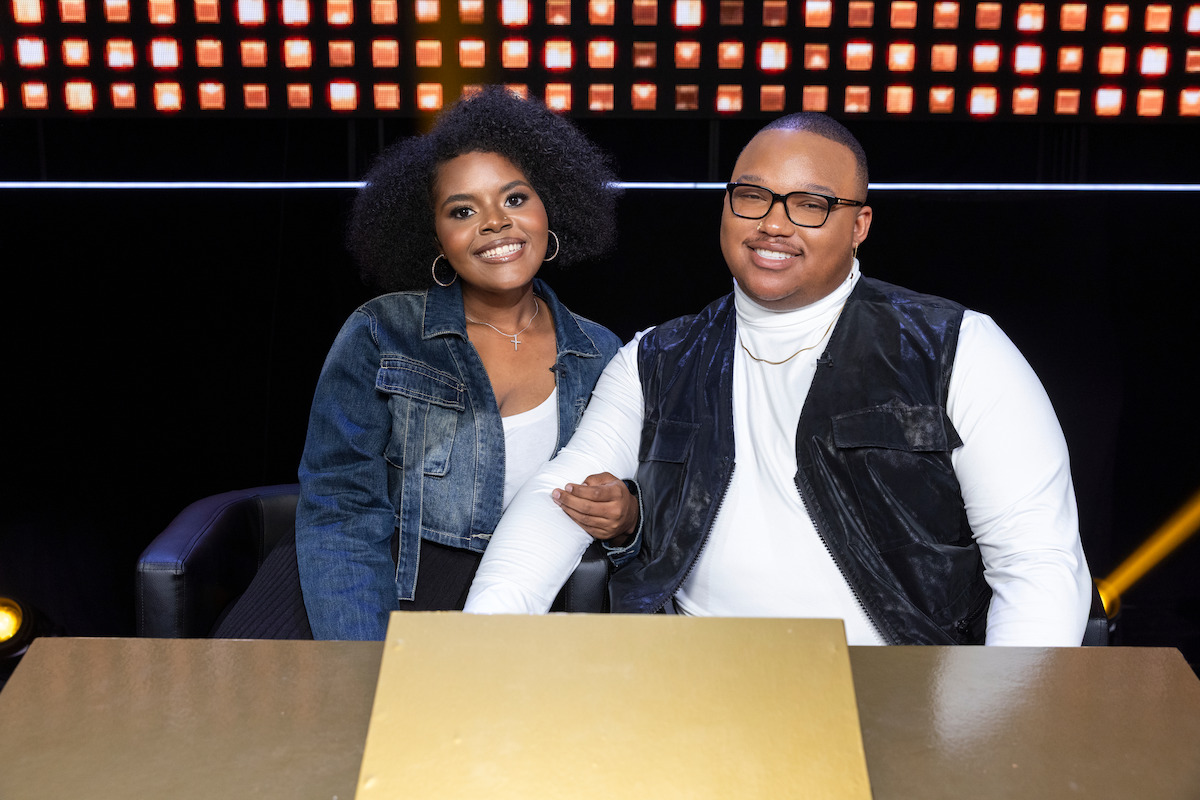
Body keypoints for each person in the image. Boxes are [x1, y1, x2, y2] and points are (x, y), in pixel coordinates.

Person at [464, 112, 1093, 646]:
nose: (773, 222)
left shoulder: (958, 347)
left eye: (812, 204)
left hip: (900, 688)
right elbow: (558, 496)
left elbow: (1036, 563)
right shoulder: (656, 359)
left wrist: (1002, 730)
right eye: (753, 195)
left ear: (859, 225)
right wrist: (474, 649)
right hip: (697, 687)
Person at [296, 86, 624, 641]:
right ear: (437, 238)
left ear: (551, 208)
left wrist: (623, 518)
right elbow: (340, 507)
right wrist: (364, 654)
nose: (495, 223)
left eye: (515, 199)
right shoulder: (381, 331)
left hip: (530, 593)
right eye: (463, 210)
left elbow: (643, 508)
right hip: (378, 586)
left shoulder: (602, 353)